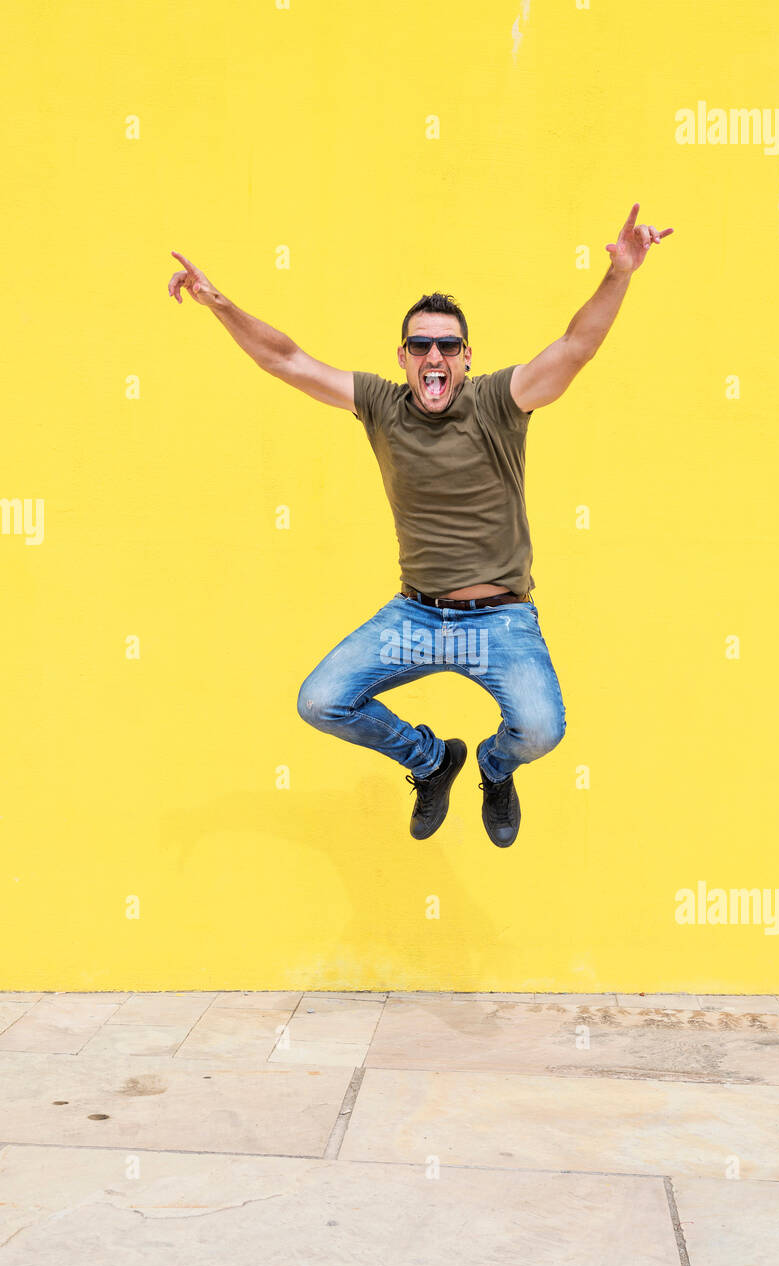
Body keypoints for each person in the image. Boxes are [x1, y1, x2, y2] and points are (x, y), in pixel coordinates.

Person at [167, 203, 673, 847]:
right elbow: (286, 359)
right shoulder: (380, 404)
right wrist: (220, 304)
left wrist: (620, 273)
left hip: (500, 620)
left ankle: (494, 767)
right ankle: (433, 761)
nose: (434, 356)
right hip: (416, 619)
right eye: (420, 345)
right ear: (403, 357)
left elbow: (576, 347)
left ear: (466, 357)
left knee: (541, 730)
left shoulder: (498, 401)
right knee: (320, 702)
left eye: (448, 346)